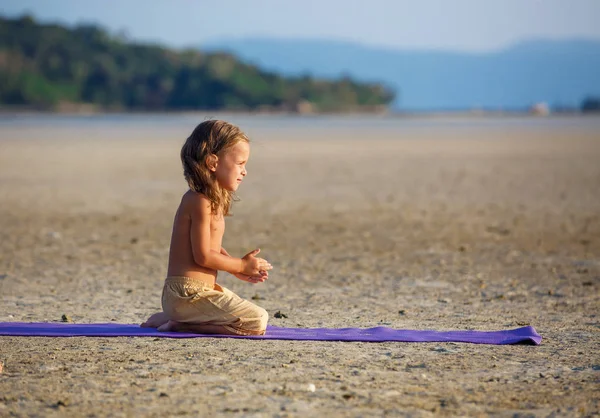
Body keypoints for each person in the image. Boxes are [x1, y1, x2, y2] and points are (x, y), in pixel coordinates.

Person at [141, 120, 272, 335]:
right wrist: (240, 265)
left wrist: (237, 269)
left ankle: (171, 316)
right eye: (240, 163)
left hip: (195, 294)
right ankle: (180, 323)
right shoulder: (200, 201)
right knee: (257, 321)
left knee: (253, 313)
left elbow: (211, 248)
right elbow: (202, 256)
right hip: (187, 294)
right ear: (213, 163)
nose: (245, 171)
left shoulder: (211, 200)